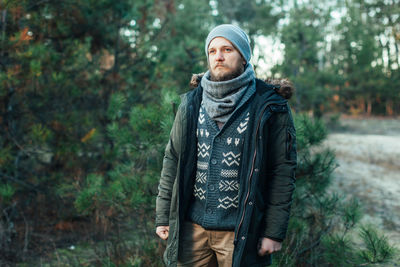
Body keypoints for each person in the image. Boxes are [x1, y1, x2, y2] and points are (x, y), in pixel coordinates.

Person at [155, 24, 297, 267]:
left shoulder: (269, 106)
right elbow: (172, 160)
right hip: (192, 229)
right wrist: (163, 216)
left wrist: (273, 232)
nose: (218, 57)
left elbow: (282, 172)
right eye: (212, 51)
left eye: (227, 49)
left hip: (240, 232)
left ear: (243, 56)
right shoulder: (191, 103)